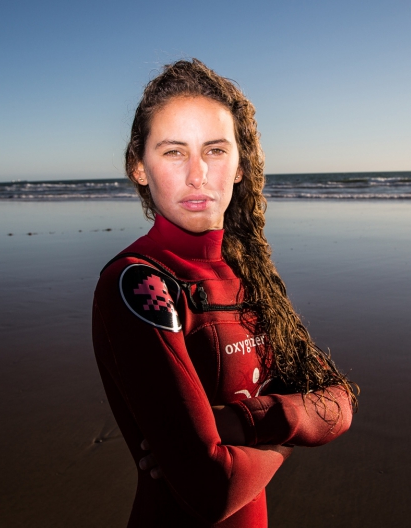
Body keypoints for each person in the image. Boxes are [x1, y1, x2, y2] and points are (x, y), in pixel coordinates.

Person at [92, 59, 358, 528]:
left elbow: (338, 405)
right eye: (174, 152)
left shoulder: (249, 274)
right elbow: (211, 489)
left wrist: (238, 424)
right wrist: (284, 441)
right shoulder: (139, 284)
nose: (198, 174)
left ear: (239, 165)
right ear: (138, 165)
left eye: (215, 150)